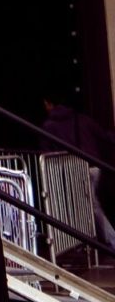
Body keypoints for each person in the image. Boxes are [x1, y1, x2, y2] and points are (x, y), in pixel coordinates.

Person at [42, 91, 115, 249]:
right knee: (89, 204)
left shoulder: (49, 126)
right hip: (94, 166)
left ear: (48, 104)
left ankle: (110, 240)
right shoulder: (81, 119)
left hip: (74, 168)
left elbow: (48, 151)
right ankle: (91, 241)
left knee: (88, 206)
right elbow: (104, 135)